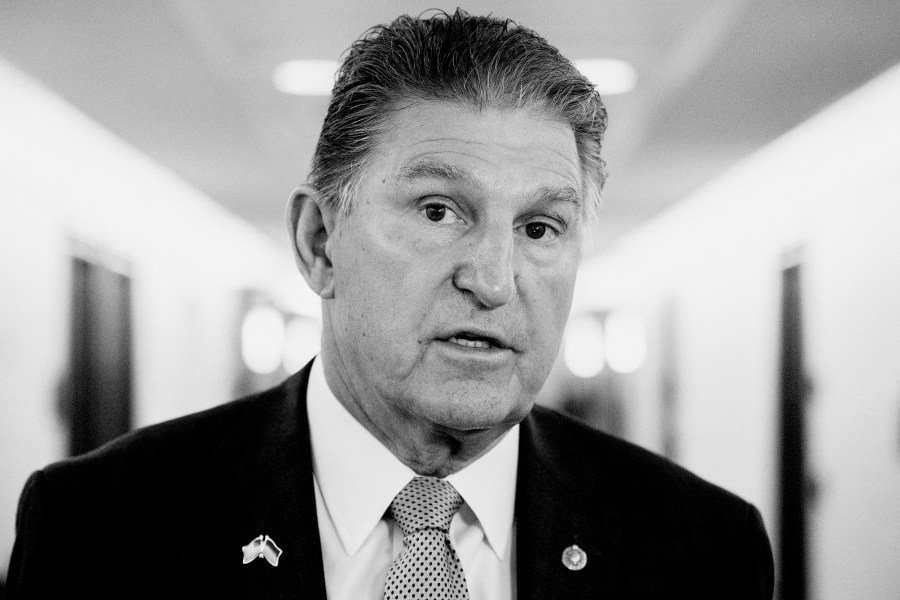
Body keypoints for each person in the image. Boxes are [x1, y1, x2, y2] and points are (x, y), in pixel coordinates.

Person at [6, 9, 773, 599]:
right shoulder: (99, 528)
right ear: (318, 241)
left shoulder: (702, 549)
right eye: (439, 211)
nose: (494, 280)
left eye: (541, 227)